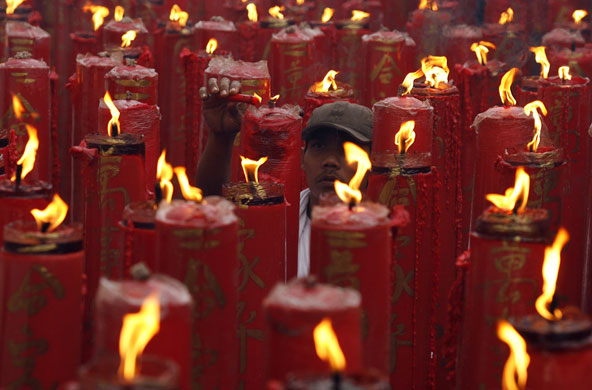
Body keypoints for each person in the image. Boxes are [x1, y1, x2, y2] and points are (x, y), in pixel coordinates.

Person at [197, 77, 373, 277]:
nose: (330, 161)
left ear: (372, 162)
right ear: (301, 158)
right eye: (319, 147)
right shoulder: (279, 216)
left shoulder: (384, 229)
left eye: (346, 150)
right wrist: (220, 138)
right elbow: (212, 213)